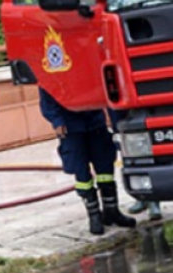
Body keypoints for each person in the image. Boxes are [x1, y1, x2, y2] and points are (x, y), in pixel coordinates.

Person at [38, 87, 135, 235]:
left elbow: (106, 88)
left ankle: (111, 211)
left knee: (105, 168)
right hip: (70, 127)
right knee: (81, 172)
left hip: (95, 121)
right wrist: (57, 121)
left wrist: (116, 121)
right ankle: (94, 216)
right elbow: (46, 91)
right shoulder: (53, 71)